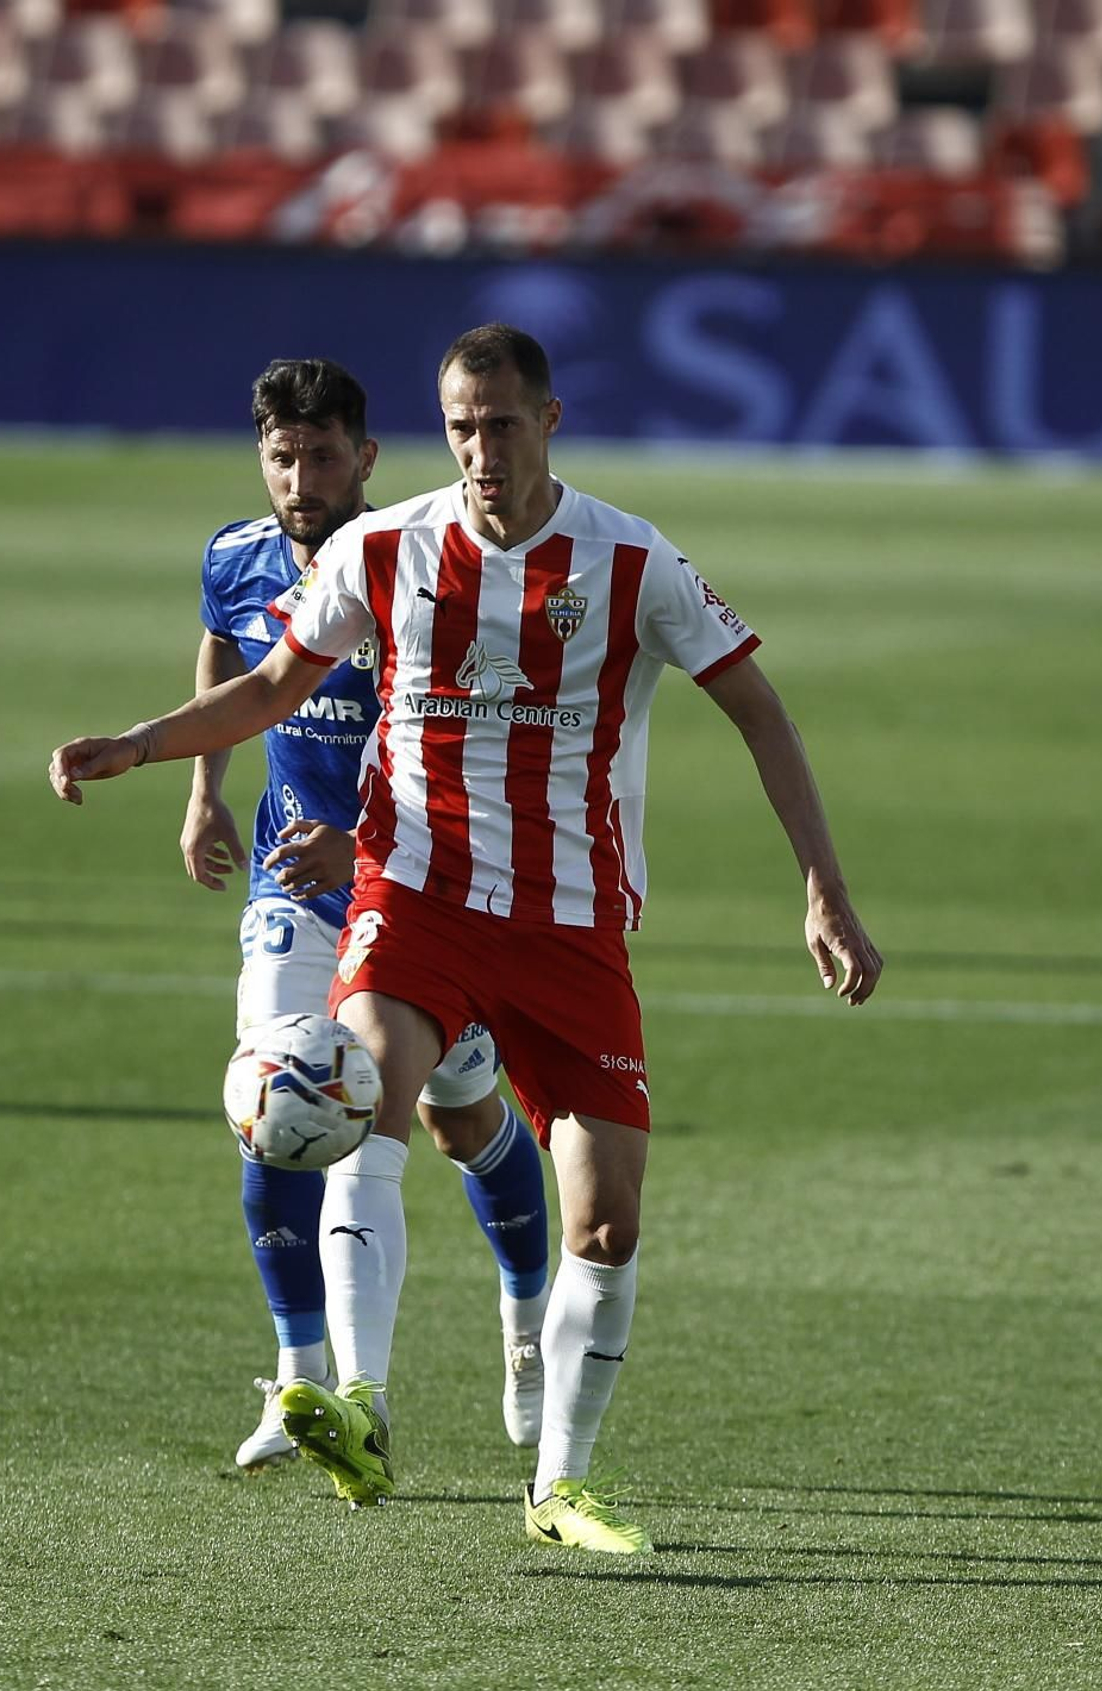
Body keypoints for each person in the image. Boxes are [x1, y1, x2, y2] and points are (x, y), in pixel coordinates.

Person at [49, 324, 883, 1554]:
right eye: (460, 426)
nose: (480, 450)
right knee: (352, 1103)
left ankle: (558, 1487)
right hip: (415, 896)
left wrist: (823, 887)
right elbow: (274, 684)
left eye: (500, 423)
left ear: (549, 421)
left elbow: (757, 709)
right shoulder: (384, 547)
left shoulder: (632, 559)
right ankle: (363, 1404)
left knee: (608, 1223)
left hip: (569, 925)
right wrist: (144, 743)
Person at [182, 357, 551, 1472]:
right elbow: (229, 652)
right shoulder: (236, 556)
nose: (302, 478)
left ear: (368, 457)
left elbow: (470, 728)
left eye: (324, 455)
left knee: (463, 1117)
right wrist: (204, 789)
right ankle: (305, 1388)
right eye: (282, 457)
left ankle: (531, 1321)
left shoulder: (412, 564)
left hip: (426, 886)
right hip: (294, 897)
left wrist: (372, 836)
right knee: (275, 1102)